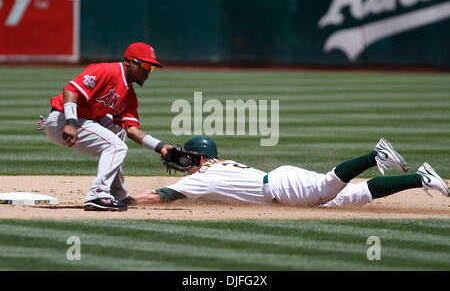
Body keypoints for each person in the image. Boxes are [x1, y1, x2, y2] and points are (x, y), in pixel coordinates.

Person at [38, 42, 173, 212]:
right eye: (145, 65)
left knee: (118, 131)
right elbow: (71, 89)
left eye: (151, 68)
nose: (148, 71)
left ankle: (118, 193)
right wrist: (71, 122)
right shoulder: (108, 71)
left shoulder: (129, 95)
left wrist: (160, 147)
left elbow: (132, 130)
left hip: (83, 120)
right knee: (115, 146)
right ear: (129, 62)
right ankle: (98, 195)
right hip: (63, 119)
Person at [134, 137, 449, 207]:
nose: (182, 163)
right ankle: (421, 177)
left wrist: (126, 201)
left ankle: (375, 154)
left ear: (200, 158)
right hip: (281, 183)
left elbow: (163, 195)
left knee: (328, 186)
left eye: (187, 159)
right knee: (356, 196)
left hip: (282, 188)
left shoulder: (205, 177)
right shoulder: (218, 168)